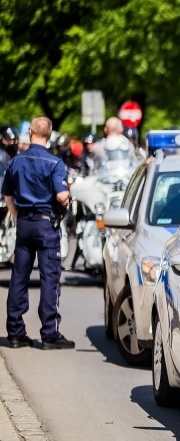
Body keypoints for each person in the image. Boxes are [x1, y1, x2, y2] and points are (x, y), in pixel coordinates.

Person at [2, 116, 74, 349]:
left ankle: (15, 333)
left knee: (19, 278)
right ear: (49, 135)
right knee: (49, 279)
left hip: (24, 224)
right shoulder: (55, 163)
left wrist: (17, 216)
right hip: (46, 226)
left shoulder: (16, 161)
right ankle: (49, 334)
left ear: (31, 133)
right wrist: (68, 196)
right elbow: (61, 196)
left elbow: (8, 196)